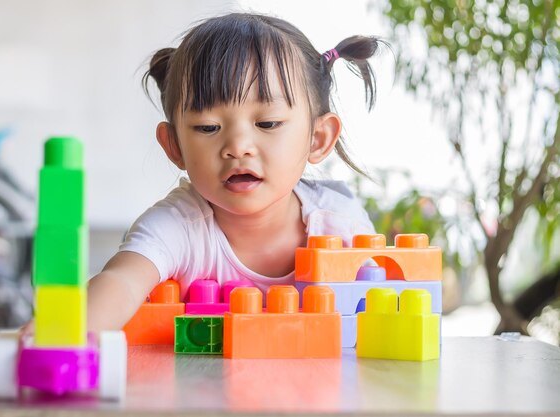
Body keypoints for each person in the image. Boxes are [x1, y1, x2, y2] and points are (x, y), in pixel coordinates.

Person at [91, 13, 382, 332]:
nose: (238, 146)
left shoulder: (341, 224)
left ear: (318, 138)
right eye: (208, 127)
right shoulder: (179, 226)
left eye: (267, 123)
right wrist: (68, 332)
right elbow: (123, 280)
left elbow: (386, 309)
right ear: (174, 146)